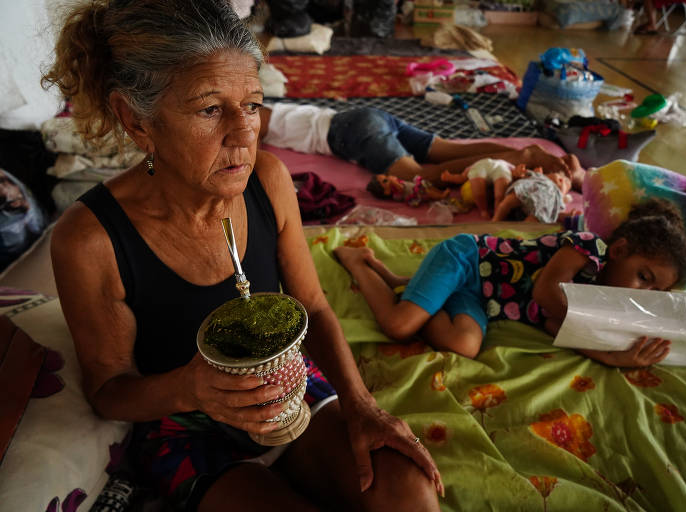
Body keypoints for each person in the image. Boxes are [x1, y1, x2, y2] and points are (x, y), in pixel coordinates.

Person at [43, 1, 443, 511]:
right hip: (184, 424)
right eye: (210, 110)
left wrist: (363, 406)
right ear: (135, 119)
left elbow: (314, 307)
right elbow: (109, 389)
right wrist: (193, 389)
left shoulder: (269, 182)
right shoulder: (91, 238)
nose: (242, 133)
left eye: (252, 105)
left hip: (288, 388)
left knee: (410, 494)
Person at [334, 199, 686, 366]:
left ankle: (398, 281)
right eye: (644, 277)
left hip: (480, 297)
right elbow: (545, 292)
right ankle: (358, 262)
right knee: (399, 325)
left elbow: (556, 325)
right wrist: (603, 327)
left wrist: (614, 357)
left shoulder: (598, 300)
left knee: (464, 347)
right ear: (619, 250)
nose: (644, 294)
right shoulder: (589, 248)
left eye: (656, 292)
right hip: (467, 260)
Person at [258, 102, 583, 185]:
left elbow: (254, 127)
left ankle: (519, 156)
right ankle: (517, 153)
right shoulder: (257, 107)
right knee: (443, 150)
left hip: (352, 131)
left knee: (416, 176)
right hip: (368, 117)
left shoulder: (253, 114)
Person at [490, 167, 572, 223]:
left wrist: (567, 216)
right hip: (526, 190)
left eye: (566, 187)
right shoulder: (538, 176)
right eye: (560, 177)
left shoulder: (556, 197)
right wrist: (520, 172)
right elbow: (522, 174)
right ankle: (495, 220)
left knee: (537, 218)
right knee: (508, 202)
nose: (562, 180)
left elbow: (555, 214)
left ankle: (519, 234)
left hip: (539, 204)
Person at [366, 174, 450, 206]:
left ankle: (440, 192)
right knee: (427, 192)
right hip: (416, 194)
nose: (388, 178)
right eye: (385, 180)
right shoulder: (396, 195)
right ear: (386, 192)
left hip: (415, 187)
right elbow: (401, 188)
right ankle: (440, 197)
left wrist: (393, 180)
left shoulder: (393, 184)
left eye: (386, 176)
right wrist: (393, 181)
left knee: (427, 185)